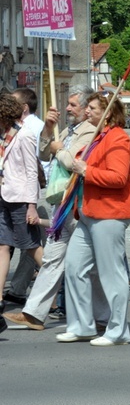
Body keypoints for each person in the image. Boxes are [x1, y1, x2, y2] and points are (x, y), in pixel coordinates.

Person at [2, 86, 96, 330]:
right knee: (53, 258)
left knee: (88, 262)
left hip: (78, 202)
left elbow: (76, 162)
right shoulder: (69, 129)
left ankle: (99, 315)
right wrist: (49, 130)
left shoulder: (91, 131)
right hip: (61, 200)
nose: (67, 108)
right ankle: (34, 313)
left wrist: (59, 149)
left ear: (87, 110)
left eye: (73, 105)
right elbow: (44, 154)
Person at [56, 92, 130, 345]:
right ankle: (82, 325)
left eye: (92, 108)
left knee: (111, 274)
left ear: (108, 114)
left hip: (109, 213)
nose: (87, 111)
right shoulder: (98, 136)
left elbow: (118, 178)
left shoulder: (118, 139)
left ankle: (117, 331)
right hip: (89, 212)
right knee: (74, 267)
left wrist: (87, 170)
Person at [0, 94, 43, 315]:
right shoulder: (3, 136)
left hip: (20, 199)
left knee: (30, 246)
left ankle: (57, 284)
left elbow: (30, 171)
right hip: (4, 196)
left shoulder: (24, 135)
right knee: (2, 245)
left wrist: (32, 205)